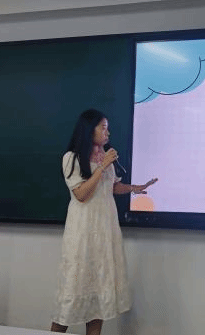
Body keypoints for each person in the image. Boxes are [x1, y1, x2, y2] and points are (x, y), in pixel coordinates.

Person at [51, 109, 157, 335]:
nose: (108, 132)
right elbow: (81, 194)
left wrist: (135, 188)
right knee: (71, 294)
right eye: (103, 127)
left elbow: (111, 187)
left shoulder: (104, 157)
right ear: (90, 130)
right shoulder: (71, 158)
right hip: (83, 232)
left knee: (98, 295)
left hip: (104, 228)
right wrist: (102, 166)